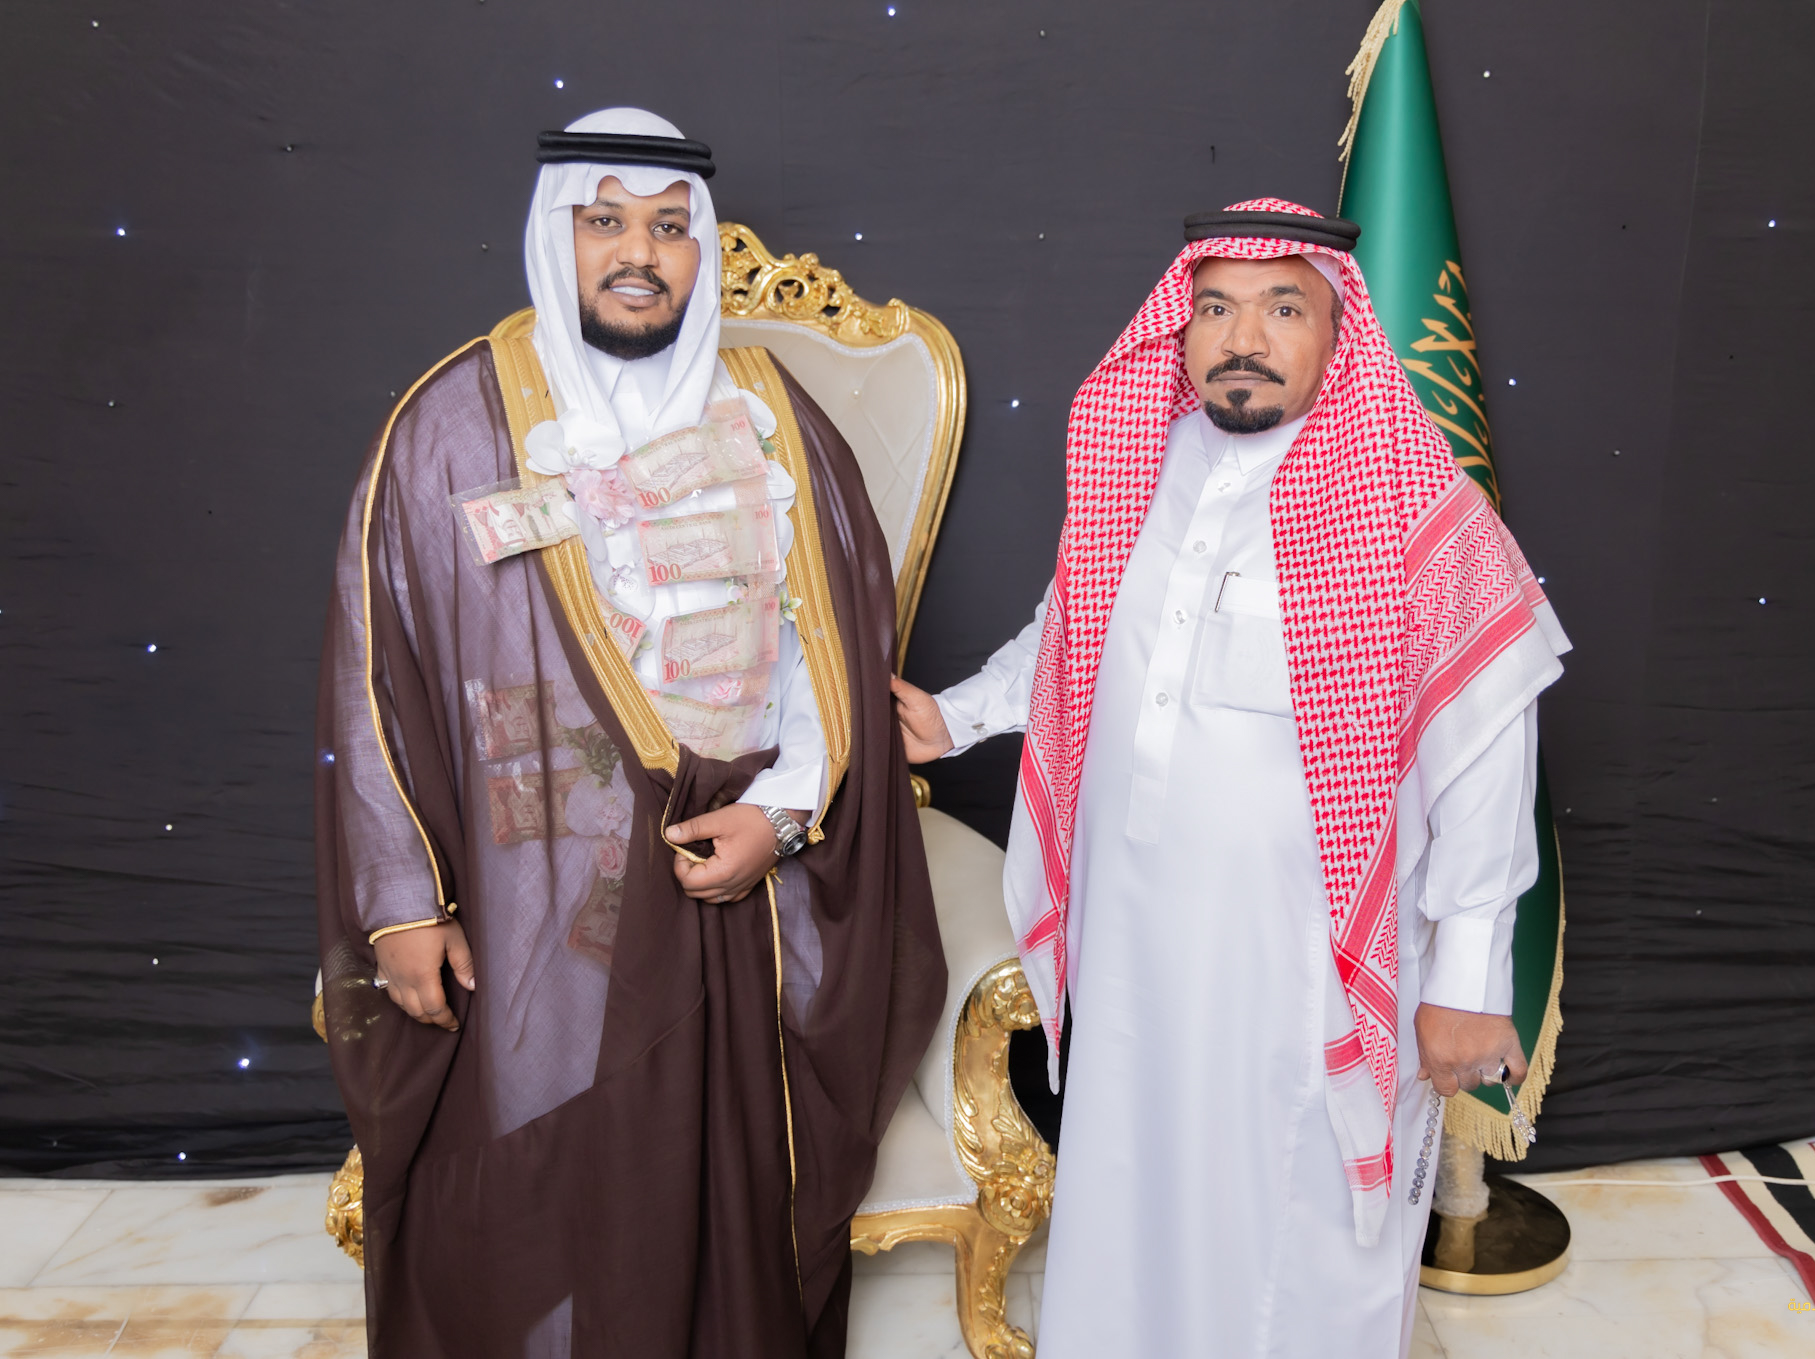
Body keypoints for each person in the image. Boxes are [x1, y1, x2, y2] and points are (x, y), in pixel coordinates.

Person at [891, 200, 1569, 1357]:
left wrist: (1466, 975)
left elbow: (1487, 751)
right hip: (1136, 954)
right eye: (1214, 307)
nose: (1240, 336)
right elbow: (1073, 638)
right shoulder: (1140, 470)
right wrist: (954, 718)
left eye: (1280, 308)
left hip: (1302, 973)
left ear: (1337, 332)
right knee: (1134, 1203)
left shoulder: (1411, 506)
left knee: (1292, 1249)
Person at [316, 107, 943, 1358]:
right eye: (603, 222)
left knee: (722, 1201)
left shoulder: (775, 416)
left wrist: (780, 816)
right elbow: (373, 671)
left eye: (666, 226)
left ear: (700, 246)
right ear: (554, 237)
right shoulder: (452, 422)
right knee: (538, 1174)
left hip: (739, 875)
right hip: (529, 883)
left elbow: (833, 662)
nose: (637, 253)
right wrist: (402, 905)